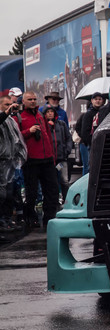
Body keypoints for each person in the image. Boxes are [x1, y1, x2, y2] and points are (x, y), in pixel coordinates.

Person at [13, 91, 59, 231]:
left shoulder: (40, 115)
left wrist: (53, 156)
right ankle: (30, 218)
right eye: (30, 99)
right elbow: (16, 138)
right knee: (31, 193)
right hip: (31, 160)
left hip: (47, 159)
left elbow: (48, 138)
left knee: (52, 191)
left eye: (34, 99)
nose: (33, 101)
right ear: (24, 101)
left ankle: (49, 218)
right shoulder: (19, 117)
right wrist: (29, 131)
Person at [0, 96, 26, 237]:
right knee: (2, 195)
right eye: (6, 104)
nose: (10, 107)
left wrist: (20, 154)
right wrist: (5, 113)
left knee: (10, 194)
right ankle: (2, 222)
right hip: (1, 161)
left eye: (11, 104)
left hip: (9, 163)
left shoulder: (11, 120)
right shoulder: (3, 117)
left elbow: (17, 139)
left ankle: (7, 220)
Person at [43, 106, 72, 201]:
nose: (50, 113)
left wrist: (67, 150)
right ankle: (54, 200)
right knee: (52, 181)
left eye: (52, 111)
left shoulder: (61, 124)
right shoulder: (43, 125)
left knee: (64, 180)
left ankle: (67, 199)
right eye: (48, 112)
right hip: (50, 160)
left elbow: (68, 138)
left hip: (61, 158)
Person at [79, 93, 110, 174]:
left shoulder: (105, 113)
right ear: (92, 101)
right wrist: (92, 142)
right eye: (95, 99)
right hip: (92, 145)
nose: (97, 101)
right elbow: (84, 132)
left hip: (103, 144)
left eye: (100, 99)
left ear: (103, 101)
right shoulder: (88, 114)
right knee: (90, 167)